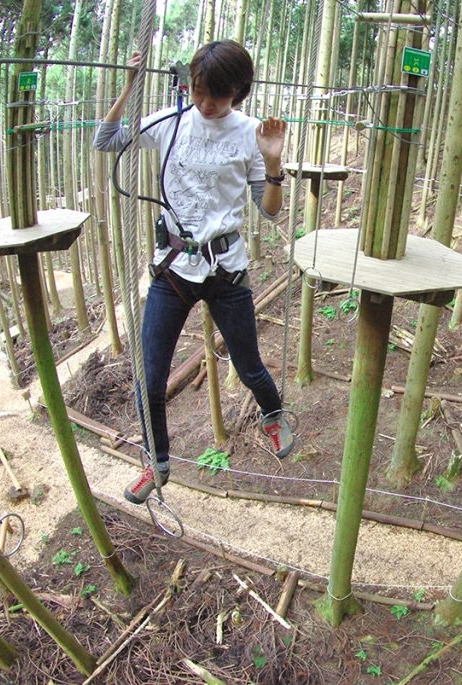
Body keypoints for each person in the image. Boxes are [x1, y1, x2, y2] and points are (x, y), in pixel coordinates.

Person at [94, 40, 294, 504]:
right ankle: (156, 462)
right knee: (150, 377)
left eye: (218, 95)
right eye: (200, 91)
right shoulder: (171, 121)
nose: (206, 104)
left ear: (238, 91)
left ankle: (273, 416)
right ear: (190, 85)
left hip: (226, 271)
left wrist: (272, 163)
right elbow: (106, 141)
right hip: (172, 269)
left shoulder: (251, 133)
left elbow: (270, 211)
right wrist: (129, 87)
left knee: (249, 367)